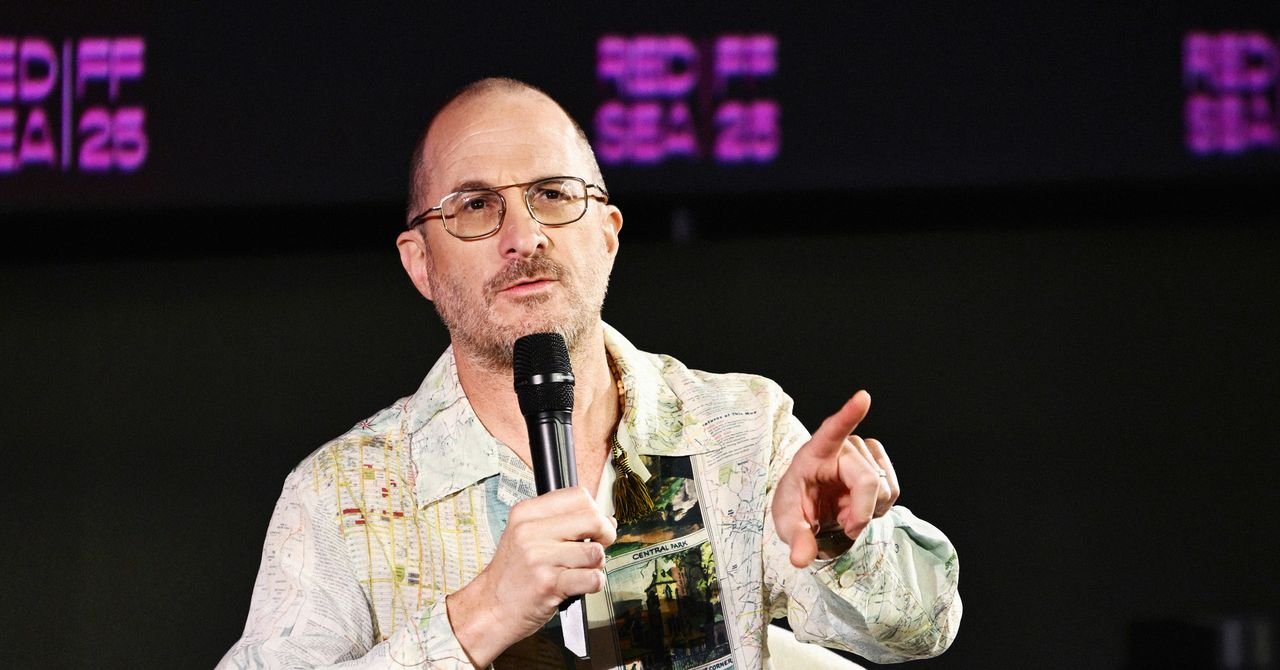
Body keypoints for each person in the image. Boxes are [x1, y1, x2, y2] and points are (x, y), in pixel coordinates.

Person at [217, 77, 961, 669]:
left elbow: (923, 628)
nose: (524, 236)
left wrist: (841, 544)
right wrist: (480, 616)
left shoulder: (736, 429)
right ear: (420, 264)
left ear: (607, 235)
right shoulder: (343, 494)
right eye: (475, 205)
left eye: (552, 195)